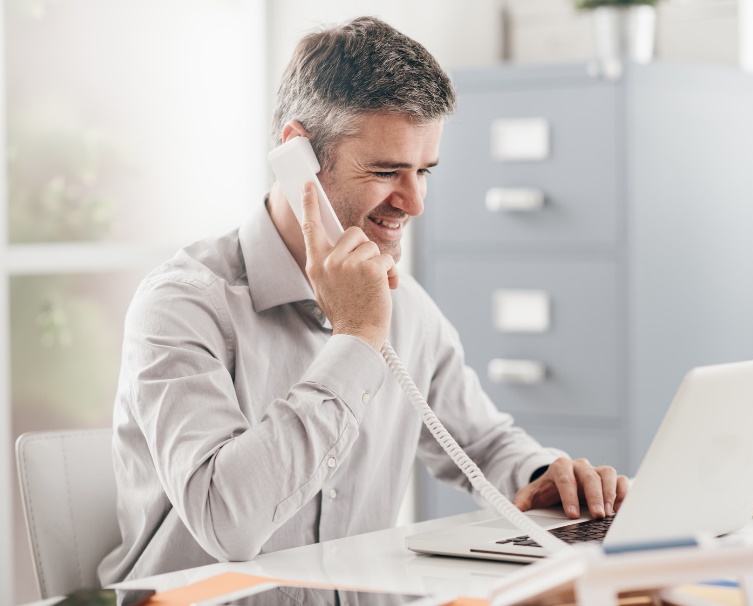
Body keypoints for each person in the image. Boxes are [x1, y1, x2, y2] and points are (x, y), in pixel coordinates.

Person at [99, 16, 628, 584]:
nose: (415, 202)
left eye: (424, 171)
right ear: (297, 155)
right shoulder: (182, 306)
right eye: (386, 171)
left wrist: (542, 472)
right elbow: (225, 521)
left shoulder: (411, 311)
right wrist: (354, 339)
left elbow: (484, 441)